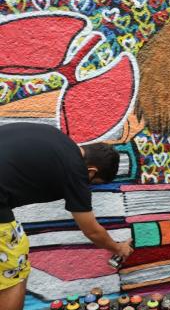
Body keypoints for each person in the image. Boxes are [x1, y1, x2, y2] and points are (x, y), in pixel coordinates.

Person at [0, 122, 134, 310]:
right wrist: (118, 248)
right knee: (15, 274)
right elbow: (92, 231)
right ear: (91, 171)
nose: (87, 187)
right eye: (92, 183)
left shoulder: (54, 136)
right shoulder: (76, 169)